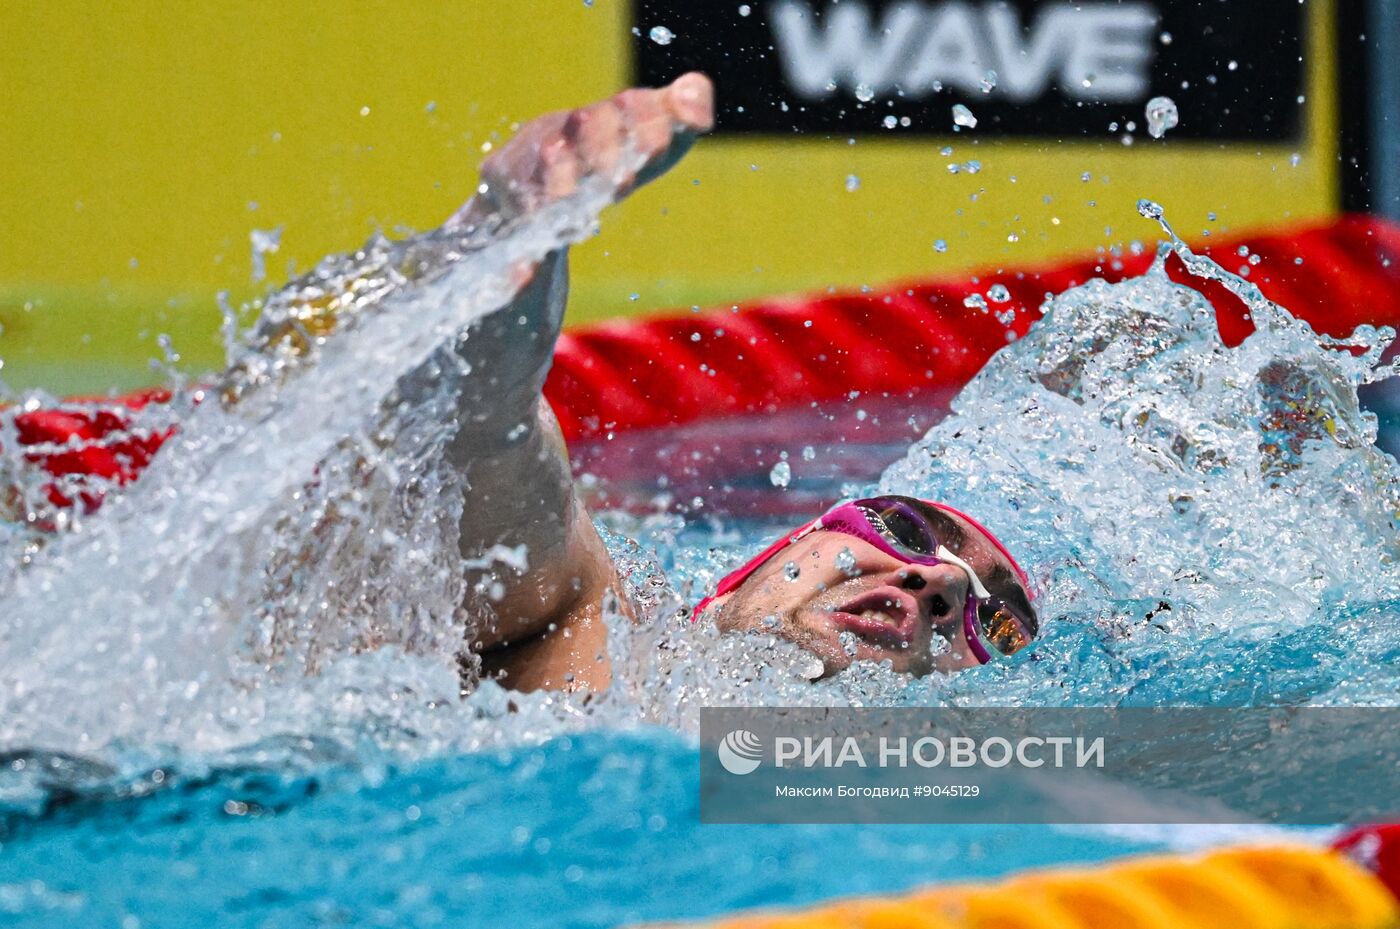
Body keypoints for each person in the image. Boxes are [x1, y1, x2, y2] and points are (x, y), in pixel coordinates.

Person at [438, 73, 1039, 692]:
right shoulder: (587, 646)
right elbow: (490, 445)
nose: (941, 581)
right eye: (907, 531)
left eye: (997, 627)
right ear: (782, 553)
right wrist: (511, 247)